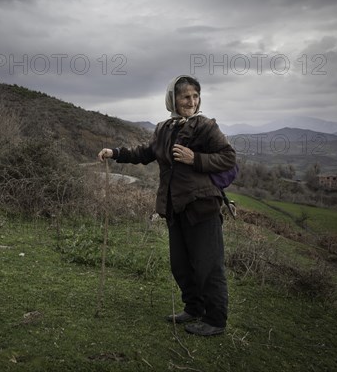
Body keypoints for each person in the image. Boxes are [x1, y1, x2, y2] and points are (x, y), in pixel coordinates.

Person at [97, 75, 236, 336]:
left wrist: (196, 158)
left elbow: (228, 157)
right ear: (172, 99)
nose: (191, 102)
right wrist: (115, 152)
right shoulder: (165, 128)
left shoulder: (205, 126)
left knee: (208, 265)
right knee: (180, 265)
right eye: (185, 96)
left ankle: (216, 320)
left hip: (203, 207)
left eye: (195, 96)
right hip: (176, 208)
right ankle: (193, 308)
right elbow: (145, 153)